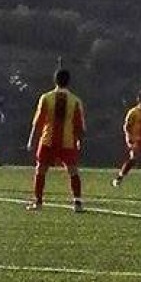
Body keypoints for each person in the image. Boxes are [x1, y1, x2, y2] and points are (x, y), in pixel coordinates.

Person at [26, 68, 86, 212]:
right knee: (73, 171)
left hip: (48, 140)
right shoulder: (75, 100)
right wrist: (80, 140)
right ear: (69, 82)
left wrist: (31, 140)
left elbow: (38, 121)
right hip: (68, 141)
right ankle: (77, 203)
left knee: (40, 170)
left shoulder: (46, 98)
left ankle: (38, 202)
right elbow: (79, 125)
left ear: (55, 80)